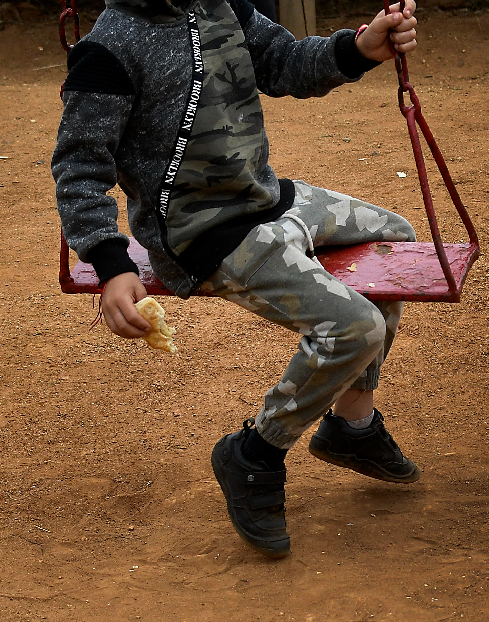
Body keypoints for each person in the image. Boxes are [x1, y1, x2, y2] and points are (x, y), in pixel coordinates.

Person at [53, 0, 424, 558]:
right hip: (202, 235)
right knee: (355, 327)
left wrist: (359, 46)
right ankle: (255, 452)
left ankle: (351, 425)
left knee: (394, 242)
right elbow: (79, 168)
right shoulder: (108, 48)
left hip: (267, 200)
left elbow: (285, 62)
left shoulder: (221, 5)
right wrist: (112, 265)